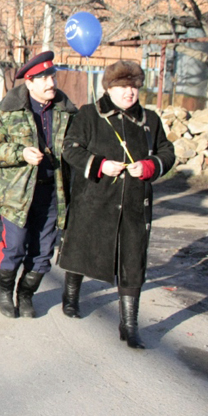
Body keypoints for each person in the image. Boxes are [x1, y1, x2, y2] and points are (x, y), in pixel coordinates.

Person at [58, 61, 175, 348]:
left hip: (134, 203)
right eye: (122, 87)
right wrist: (100, 164)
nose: (129, 93)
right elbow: (70, 148)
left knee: (133, 259)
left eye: (134, 87)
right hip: (94, 197)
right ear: (108, 88)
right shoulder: (89, 115)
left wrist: (150, 167)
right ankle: (71, 297)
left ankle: (129, 324)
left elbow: (167, 153)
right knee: (81, 247)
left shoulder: (149, 120)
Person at [0, 51, 78, 318]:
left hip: (52, 191)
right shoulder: (6, 110)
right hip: (16, 192)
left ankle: (26, 294)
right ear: (29, 82)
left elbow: (78, 147)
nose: (51, 83)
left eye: (52, 76)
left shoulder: (66, 111)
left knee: (43, 251)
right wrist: (20, 153)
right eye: (44, 78)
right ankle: (3, 291)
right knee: (14, 247)